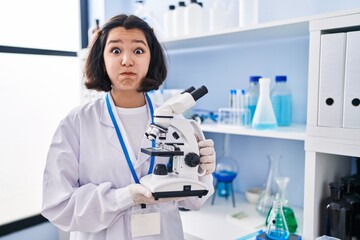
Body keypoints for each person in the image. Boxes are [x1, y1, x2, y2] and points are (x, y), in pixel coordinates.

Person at [41, 14, 216, 240]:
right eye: (115, 51)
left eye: (138, 50)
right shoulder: (76, 123)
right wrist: (124, 197)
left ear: (151, 59)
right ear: (101, 59)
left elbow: (194, 201)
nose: (127, 60)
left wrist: (202, 171)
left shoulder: (174, 120)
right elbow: (58, 205)